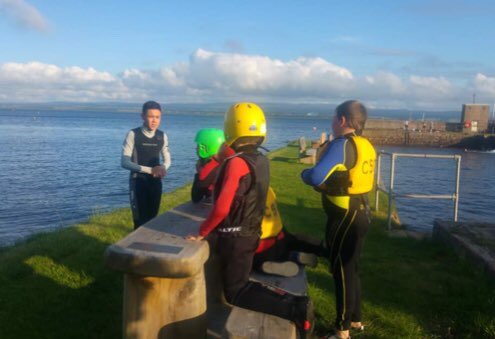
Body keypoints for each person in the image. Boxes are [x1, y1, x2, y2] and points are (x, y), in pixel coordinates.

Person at [188, 102, 313, 337]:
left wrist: (202, 232)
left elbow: (222, 207)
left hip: (235, 237)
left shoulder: (235, 163)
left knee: (235, 291)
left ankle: (295, 307)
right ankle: (292, 300)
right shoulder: (262, 160)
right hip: (252, 233)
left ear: (231, 129)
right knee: (242, 279)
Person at [301, 100, 376, 339]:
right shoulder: (365, 144)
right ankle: (356, 320)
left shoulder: (342, 145)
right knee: (353, 268)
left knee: (341, 270)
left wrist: (304, 173)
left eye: (334, 119)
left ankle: (341, 330)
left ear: (342, 120)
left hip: (344, 217)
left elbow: (315, 176)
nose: (331, 123)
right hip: (361, 212)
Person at [121, 101, 171, 229]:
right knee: (139, 222)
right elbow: (124, 162)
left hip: (155, 183)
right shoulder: (133, 134)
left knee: (152, 221)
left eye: (157, 117)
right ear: (142, 116)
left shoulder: (162, 136)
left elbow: (168, 160)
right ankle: (133, 248)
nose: (154, 120)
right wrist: (151, 170)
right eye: (150, 116)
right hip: (138, 183)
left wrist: (163, 168)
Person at [191, 128, 225, 203]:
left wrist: (199, 172)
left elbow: (196, 197)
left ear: (205, 148)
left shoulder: (211, 166)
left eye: (198, 146)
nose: (196, 148)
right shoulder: (224, 161)